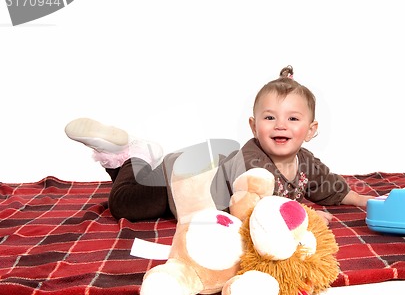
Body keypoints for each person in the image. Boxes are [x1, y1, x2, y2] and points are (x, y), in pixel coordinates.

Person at [65, 66, 372, 223]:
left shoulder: (304, 161)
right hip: (175, 183)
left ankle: (135, 158)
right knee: (125, 204)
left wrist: (361, 201)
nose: (280, 125)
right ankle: (132, 156)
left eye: (293, 119)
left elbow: (328, 185)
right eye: (269, 117)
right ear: (253, 126)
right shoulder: (253, 160)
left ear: (310, 129)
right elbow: (260, 205)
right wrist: (304, 214)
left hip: (192, 169)